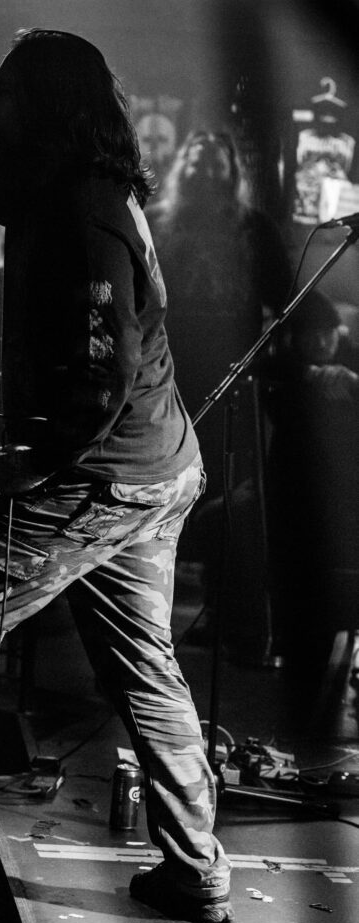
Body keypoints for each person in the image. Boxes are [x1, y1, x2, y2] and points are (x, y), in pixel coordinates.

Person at [0, 29, 232, 923]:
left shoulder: (82, 215)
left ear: (43, 106)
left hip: (105, 475)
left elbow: (98, 375)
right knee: (146, 669)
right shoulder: (67, 185)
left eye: (4, 92)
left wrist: (37, 462)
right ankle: (197, 871)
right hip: (156, 468)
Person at [145, 129, 291, 505]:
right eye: (198, 163)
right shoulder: (155, 222)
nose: (206, 172)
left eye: (215, 164)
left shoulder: (256, 228)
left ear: (231, 172)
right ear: (183, 167)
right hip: (169, 373)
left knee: (226, 479)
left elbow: (285, 299)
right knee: (168, 474)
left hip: (234, 374)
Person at [262, 289, 359, 721]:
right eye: (311, 335)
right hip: (295, 500)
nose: (321, 343)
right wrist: (309, 375)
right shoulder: (285, 374)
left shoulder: (350, 365)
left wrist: (350, 382)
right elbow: (267, 374)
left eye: (327, 334)